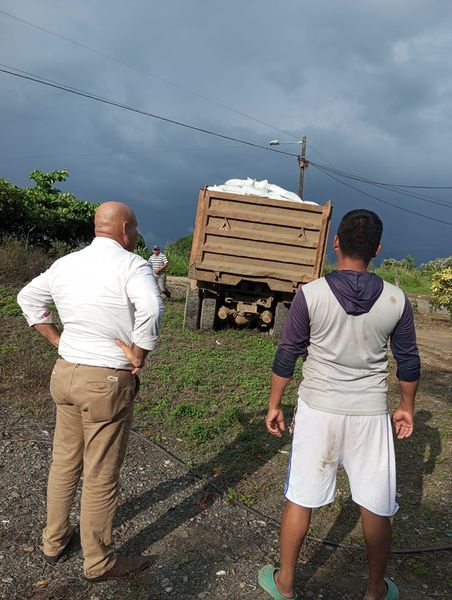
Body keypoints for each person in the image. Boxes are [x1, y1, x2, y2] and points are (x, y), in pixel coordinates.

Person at [258, 209, 420, 600]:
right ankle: (375, 590)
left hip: (318, 410)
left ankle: (286, 582)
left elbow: (287, 353)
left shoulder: (310, 294)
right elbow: (409, 361)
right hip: (370, 415)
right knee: (376, 504)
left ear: (336, 243)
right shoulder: (397, 300)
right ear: (377, 250)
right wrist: (406, 407)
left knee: (301, 496)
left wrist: (275, 404)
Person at [17, 202, 164, 582]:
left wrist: (57, 339)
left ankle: (53, 542)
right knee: (100, 473)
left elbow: (27, 298)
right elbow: (151, 308)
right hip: (106, 382)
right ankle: (98, 562)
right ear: (125, 229)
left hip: (66, 373)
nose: (136, 234)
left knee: (64, 461)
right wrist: (140, 352)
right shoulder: (132, 266)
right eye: (135, 228)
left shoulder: (66, 263)